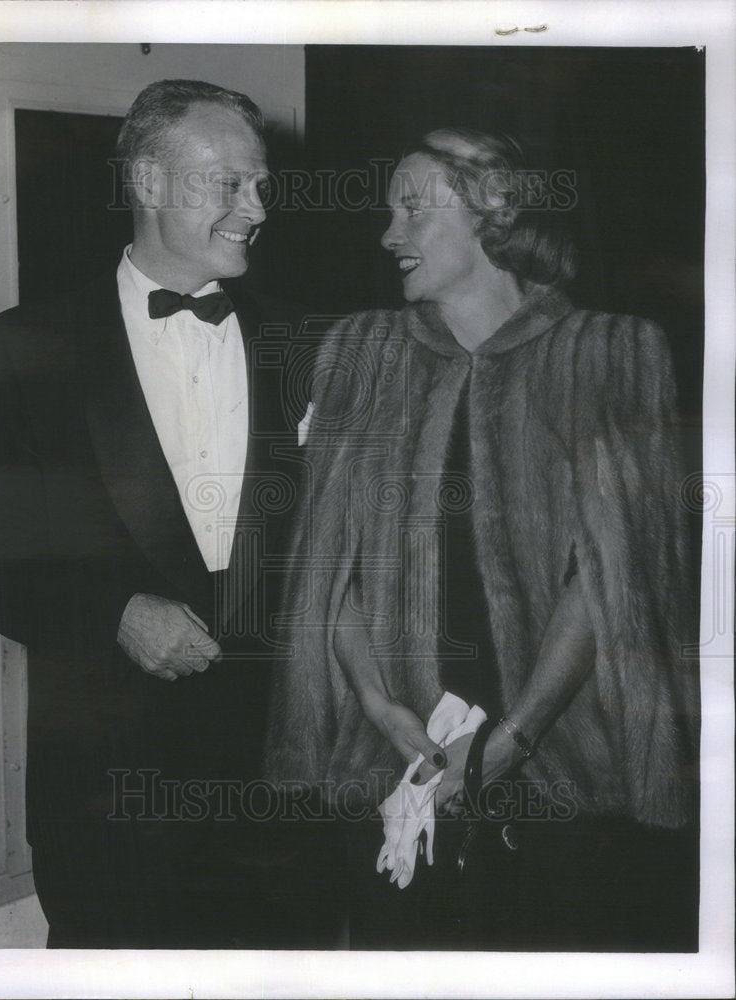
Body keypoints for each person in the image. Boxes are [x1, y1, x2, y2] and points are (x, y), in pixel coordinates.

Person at [265, 128, 699, 950]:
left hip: (562, 764)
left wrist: (513, 740)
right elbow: (330, 569)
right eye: (389, 210)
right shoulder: (358, 351)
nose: (388, 233)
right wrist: (376, 706)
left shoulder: (610, 351)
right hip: (390, 755)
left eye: (414, 208)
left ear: (493, 212)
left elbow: (610, 579)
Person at [0, 79, 337, 949]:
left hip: (279, 793)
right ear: (147, 182)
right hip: (109, 791)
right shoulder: (24, 348)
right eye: (229, 183)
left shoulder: (311, 345)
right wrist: (116, 613)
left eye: (260, 184)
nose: (256, 207)